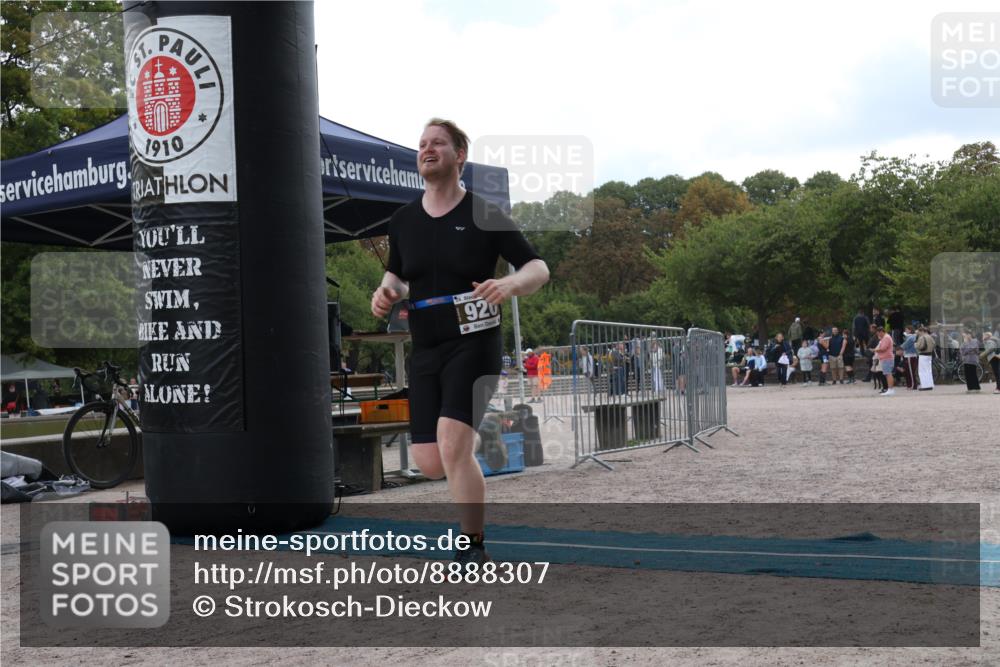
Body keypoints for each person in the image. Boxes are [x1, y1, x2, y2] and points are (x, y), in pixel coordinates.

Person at [370, 118, 548, 565]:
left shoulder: (484, 213)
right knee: (431, 462)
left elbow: (537, 268)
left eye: (437, 143)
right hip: (426, 347)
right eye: (422, 144)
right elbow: (398, 275)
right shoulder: (403, 219)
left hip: (475, 342)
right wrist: (385, 290)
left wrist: (509, 286)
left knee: (451, 443)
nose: (426, 149)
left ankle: (473, 546)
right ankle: (467, 440)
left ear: (459, 156)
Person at [873, 326, 895, 395]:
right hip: (886, 358)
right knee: (887, 374)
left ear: (881, 332)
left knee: (888, 374)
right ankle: (890, 389)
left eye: (878, 333)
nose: (878, 335)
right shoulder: (886, 337)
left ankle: (890, 389)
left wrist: (874, 350)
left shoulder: (886, 338)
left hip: (887, 358)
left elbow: (883, 348)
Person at [915, 324, 936, 391]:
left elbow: (918, 346)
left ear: (922, 331)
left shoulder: (922, 337)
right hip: (929, 355)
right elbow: (934, 344)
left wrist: (915, 344)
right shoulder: (930, 337)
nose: (919, 333)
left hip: (923, 355)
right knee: (928, 371)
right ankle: (930, 384)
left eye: (919, 332)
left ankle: (924, 385)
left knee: (922, 371)